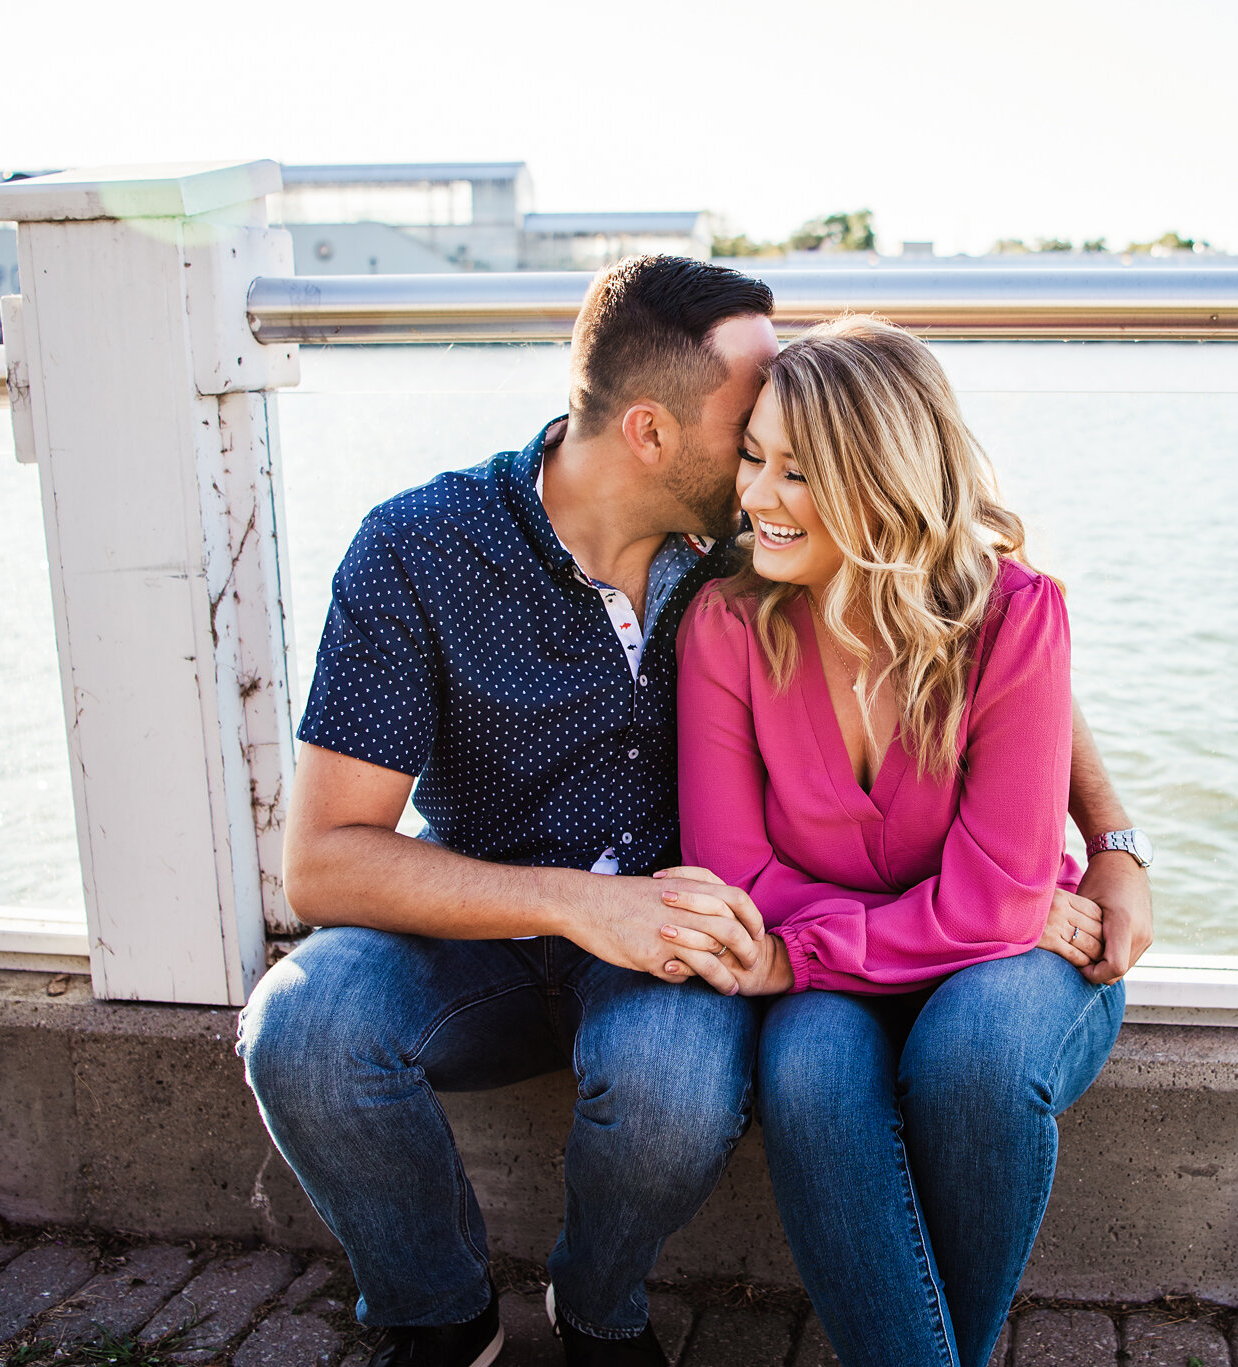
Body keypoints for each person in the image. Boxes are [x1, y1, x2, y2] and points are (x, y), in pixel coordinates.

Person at [233, 258, 1153, 1367]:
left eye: (792, 441)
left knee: (698, 1082)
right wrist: (585, 904)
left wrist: (1107, 840)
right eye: (749, 423)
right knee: (302, 1023)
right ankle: (438, 1314)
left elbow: (968, 620)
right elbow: (324, 863)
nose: (769, 445)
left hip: (688, 943)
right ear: (651, 434)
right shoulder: (426, 549)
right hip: (507, 923)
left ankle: (599, 1307)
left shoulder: (756, 531)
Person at [664, 316, 1144, 1366]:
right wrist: (852, 943)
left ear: (878, 482)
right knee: (804, 1075)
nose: (754, 496)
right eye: (754, 458)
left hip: (1018, 968)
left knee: (972, 1057)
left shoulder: (1017, 616)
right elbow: (737, 876)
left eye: (797, 471)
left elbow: (999, 905)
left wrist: (804, 949)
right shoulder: (726, 628)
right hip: (846, 973)